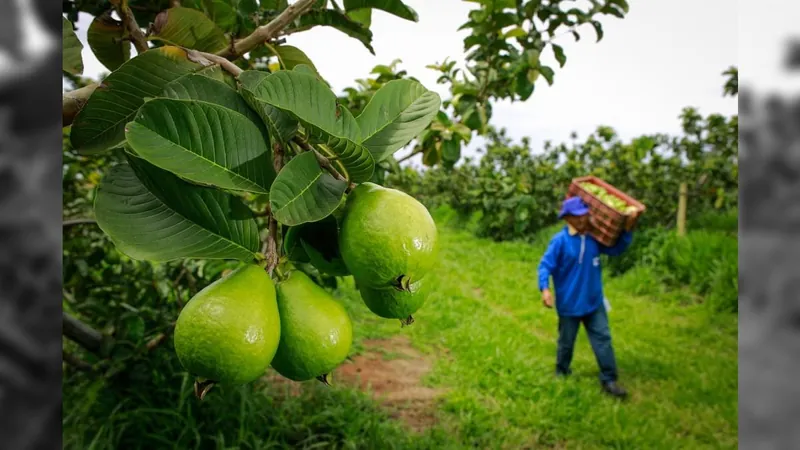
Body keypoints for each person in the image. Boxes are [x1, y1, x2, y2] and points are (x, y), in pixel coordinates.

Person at [537, 196, 638, 398]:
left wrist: (627, 229)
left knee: (603, 339)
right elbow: (545, 266)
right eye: (578, 217)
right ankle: (562, 372)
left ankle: (609, 379)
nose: (583, 220)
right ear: (567, 218)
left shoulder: (594, 238)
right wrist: (545, 289)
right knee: (566, 342)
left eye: (585, 216)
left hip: (594, 301)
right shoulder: (560, 241)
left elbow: (616, 249)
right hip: (569, 304)